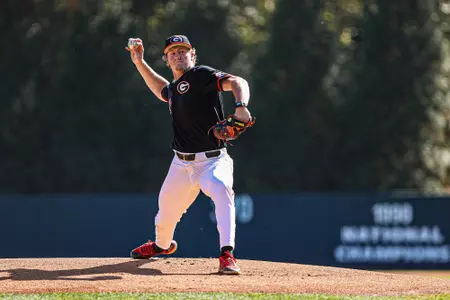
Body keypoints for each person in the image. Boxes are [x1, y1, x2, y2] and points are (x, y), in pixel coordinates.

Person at [126, 35, 252, 275]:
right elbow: (162, 90)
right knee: (164, 215)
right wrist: (139, 62)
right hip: (180, 165)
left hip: (213, 160)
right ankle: (162, 246)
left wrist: (241, 106)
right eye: (173, 52)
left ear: (193, 54)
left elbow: (238, 81)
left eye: (183, 50)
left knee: (219, 187)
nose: (178, 54)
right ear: (167, 59)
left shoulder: (201, 75)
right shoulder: (175, 88)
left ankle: (227, 254)